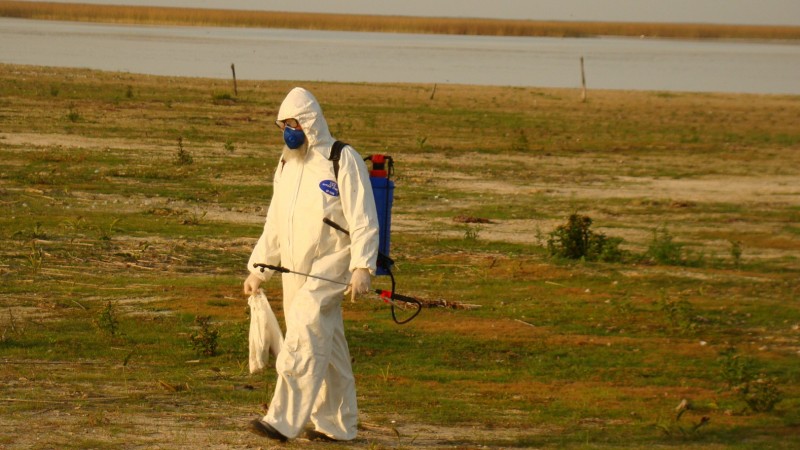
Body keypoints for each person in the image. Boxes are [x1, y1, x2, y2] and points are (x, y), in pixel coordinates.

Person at [243, 87, 379, 442]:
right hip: (294, 267)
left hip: (333, 263)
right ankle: (337, 426)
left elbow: (363, 215)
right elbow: (276, 219)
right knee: (328, 344)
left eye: (294, 123)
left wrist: (362, 266)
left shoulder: (341, 158)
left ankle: (282, 419)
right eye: (284, 124)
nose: (289, 131)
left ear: (310, 122)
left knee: (304, 331)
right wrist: (259, 269)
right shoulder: (287, 163)